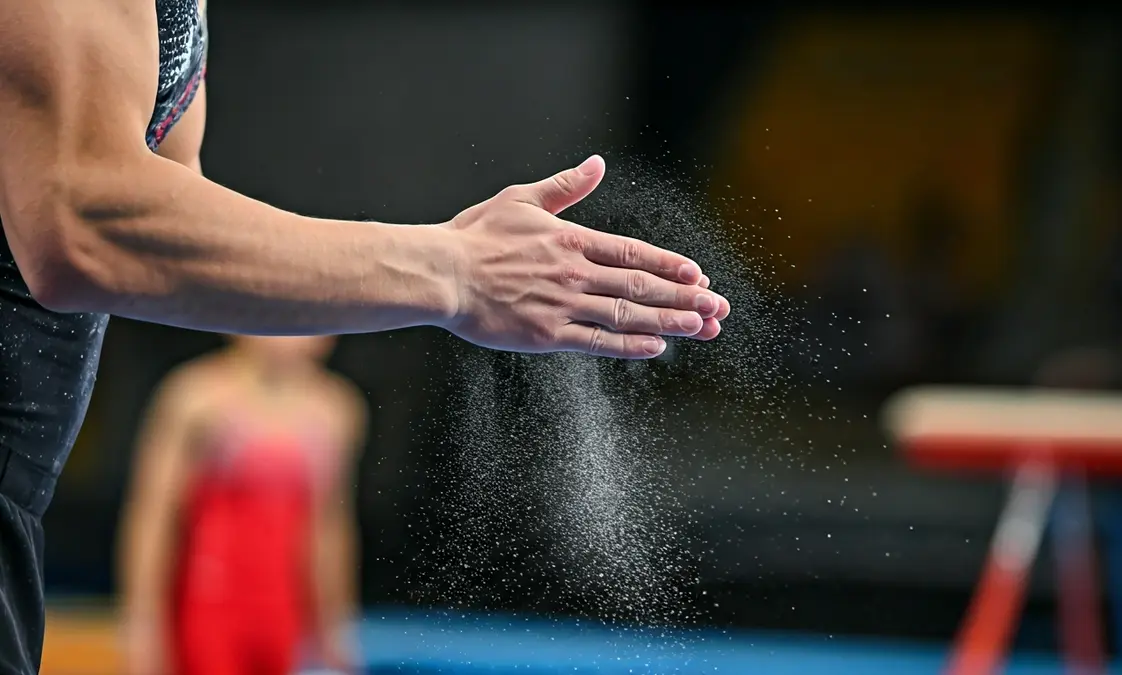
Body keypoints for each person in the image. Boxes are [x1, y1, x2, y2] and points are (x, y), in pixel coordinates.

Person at [0, 1, 730, 673]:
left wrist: (455, 265)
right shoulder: (199, 400)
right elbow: (81, 223)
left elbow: (163, 237)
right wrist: (452, 270)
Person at [118, 335, 364, 675]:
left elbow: (330, 529)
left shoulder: (336, 410)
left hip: (284, 611)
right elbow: (153, 516)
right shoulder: (195, 397)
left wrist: (336, 623)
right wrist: (141, 622)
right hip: (209, 608)